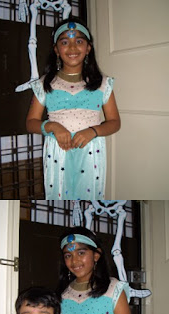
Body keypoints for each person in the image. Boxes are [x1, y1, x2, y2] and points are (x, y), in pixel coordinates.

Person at [26, 17, 121, 200]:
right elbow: (30, 123)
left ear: (88, 48)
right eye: (64, 42)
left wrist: (93, 131)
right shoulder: (44, 84)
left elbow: (115, 122)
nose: (72, 48)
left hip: (91, 152)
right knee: (59, 194)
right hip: (57, 153)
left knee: (89, 195)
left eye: (79, 41)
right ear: (56, 49)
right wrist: (52, 126)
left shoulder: (102, 83)